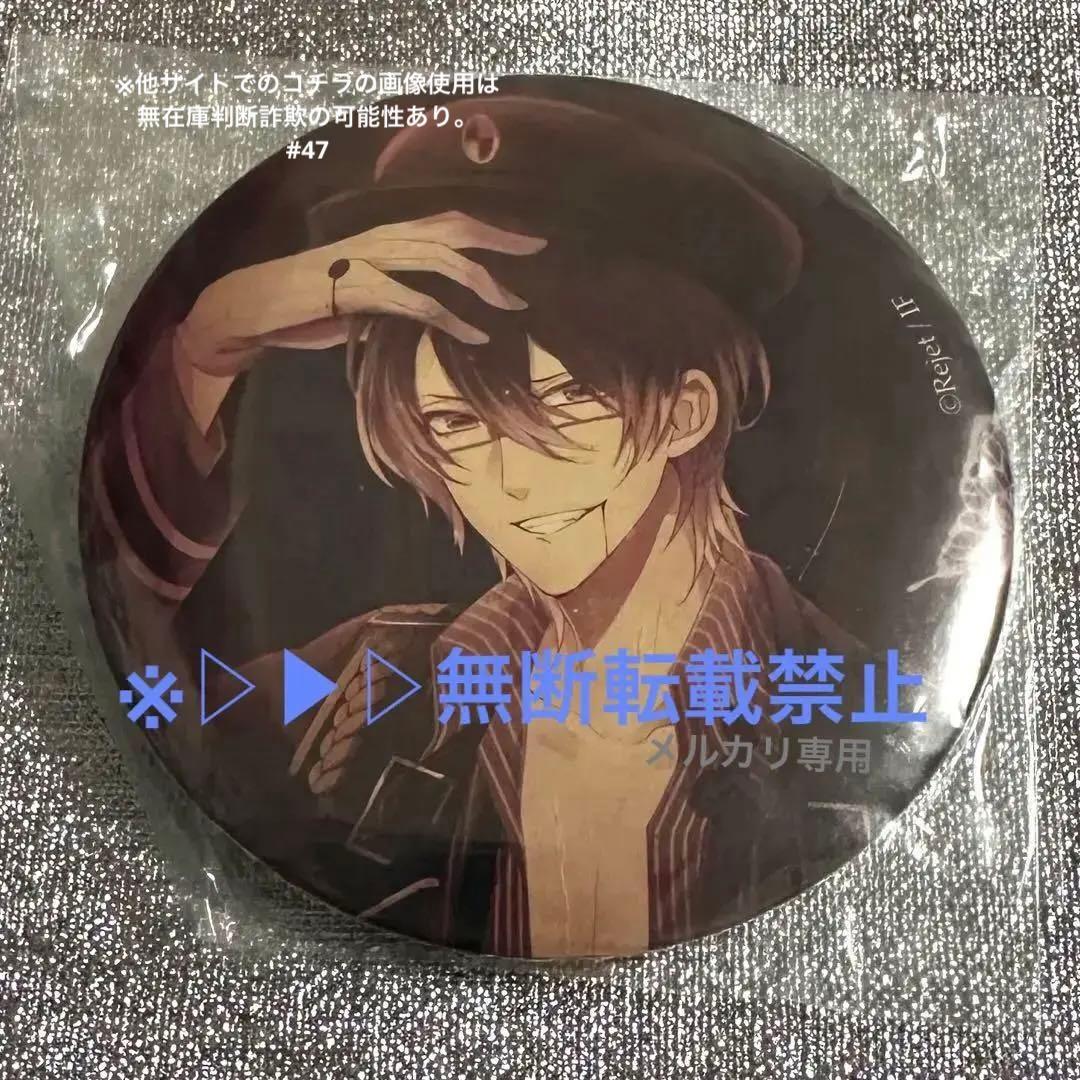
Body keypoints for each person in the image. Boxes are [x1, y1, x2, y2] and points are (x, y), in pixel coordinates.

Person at [84, 94, 877, 958]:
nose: (510, 478)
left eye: (565, 402)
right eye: (456, 423)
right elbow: (150, 685)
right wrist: (211, 341)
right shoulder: (371, 684)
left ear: (687, 411)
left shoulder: (845, 696)